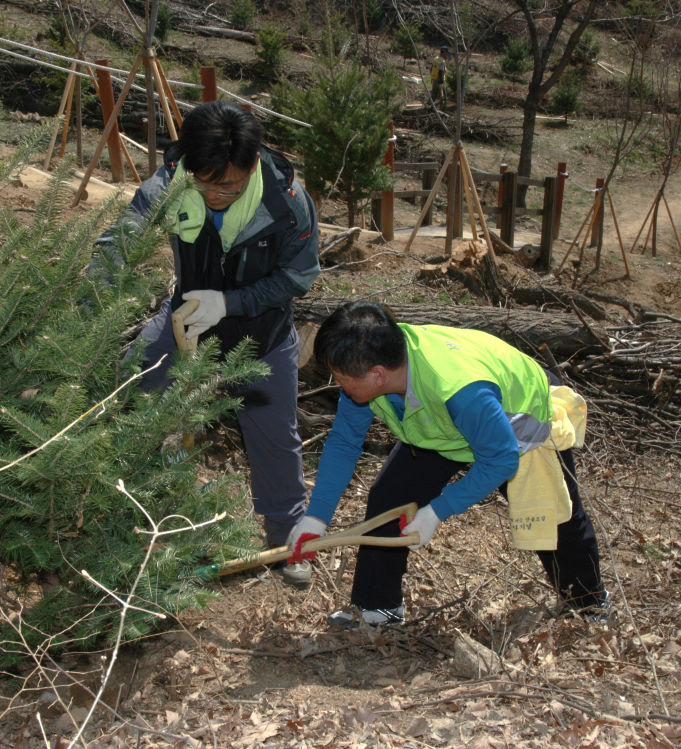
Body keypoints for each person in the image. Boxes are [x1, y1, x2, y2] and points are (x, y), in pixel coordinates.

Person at [98, 101, 321, 588]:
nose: (217, 195)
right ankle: (110, 520)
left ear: (253, 165)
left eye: (230, 186)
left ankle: (287, 544)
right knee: (127, 390)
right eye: (206, 183)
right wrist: (95, 281)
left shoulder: (285, 201)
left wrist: (233, 302)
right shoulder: (168, 186)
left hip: (261, 335)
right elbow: (124, 238)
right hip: (185, 324)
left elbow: (299, 275)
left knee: (275, 440)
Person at [286, 301, 610, 626]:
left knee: (556, 517)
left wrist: (437, 511)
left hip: (517, 415)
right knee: (391, 497)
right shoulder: (369, 376)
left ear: (377, 374)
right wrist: (316, 518)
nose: (337, 382)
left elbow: (501, 459)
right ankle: (377, 607)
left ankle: (589, 605)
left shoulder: (461, 391)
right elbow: (343, 442)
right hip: (443, 426)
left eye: (340, 377)